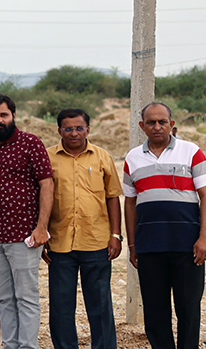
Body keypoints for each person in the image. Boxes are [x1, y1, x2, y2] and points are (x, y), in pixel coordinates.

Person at [123, 102, 206, 349]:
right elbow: (130, 203)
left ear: (171, 124)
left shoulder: (191, 151)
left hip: (188, 247)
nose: (157, 127)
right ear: (142, 126)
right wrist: (132, 244)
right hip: (149, 246)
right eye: (151, 122)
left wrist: (204, 239)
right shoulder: (132, 158)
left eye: (162, 122)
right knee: (155, 312)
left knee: (188, 309)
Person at [0, 94, 53, 349]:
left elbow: (47, 184)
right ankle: (10, 345)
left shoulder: (31, 143)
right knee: (4, 298)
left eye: (3, 114)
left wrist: (41, 227)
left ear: (13, 115)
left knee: (26, 297)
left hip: (24, 236)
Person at [44, 108, 122, 349]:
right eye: (68, 128)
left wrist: (116, 235)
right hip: (59, 243)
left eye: (79, 128)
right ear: (59, 131)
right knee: (61, 306)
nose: (74, 133)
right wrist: (42, 233)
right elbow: (40, 197)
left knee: (100, 305)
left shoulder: (102, 157)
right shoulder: (47, 157)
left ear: (88, 129)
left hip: (96, 241)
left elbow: (112, 197)